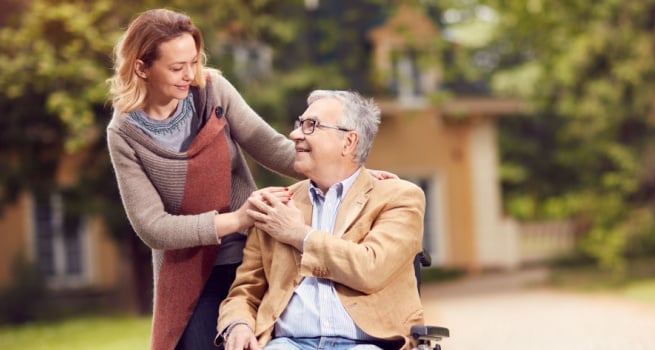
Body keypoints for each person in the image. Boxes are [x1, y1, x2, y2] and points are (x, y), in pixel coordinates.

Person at [105, 9, 394, 350]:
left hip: (252, 253)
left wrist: (349, 171)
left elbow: (270, 146)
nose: (190, 75)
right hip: (190, 268)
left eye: (194, 62)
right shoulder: (124, 134)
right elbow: (153, 227)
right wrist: (238, 218)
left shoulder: (211, 91)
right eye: (176, 67)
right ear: (142, 67)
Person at [216, 90, 426, 350]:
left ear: (348, 142)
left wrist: (298, 234)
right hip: (287, 343)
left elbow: (370, 269)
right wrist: (238, 324)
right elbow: (245, 290)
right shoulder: (276, 204)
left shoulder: (400, 197)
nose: (295, 135)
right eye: (299, 124)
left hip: (366, 344)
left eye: (311, 126)